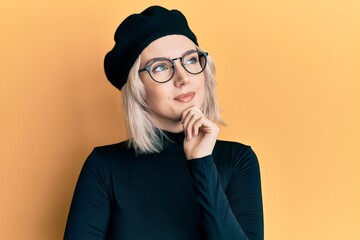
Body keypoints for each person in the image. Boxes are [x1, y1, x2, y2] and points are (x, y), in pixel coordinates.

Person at [64, 5, 263, 240]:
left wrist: (202, 164)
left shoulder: (238, 161)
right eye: (160, 67)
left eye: (190, 60)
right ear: (137, 89)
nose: (183, 78)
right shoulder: (104, 167)